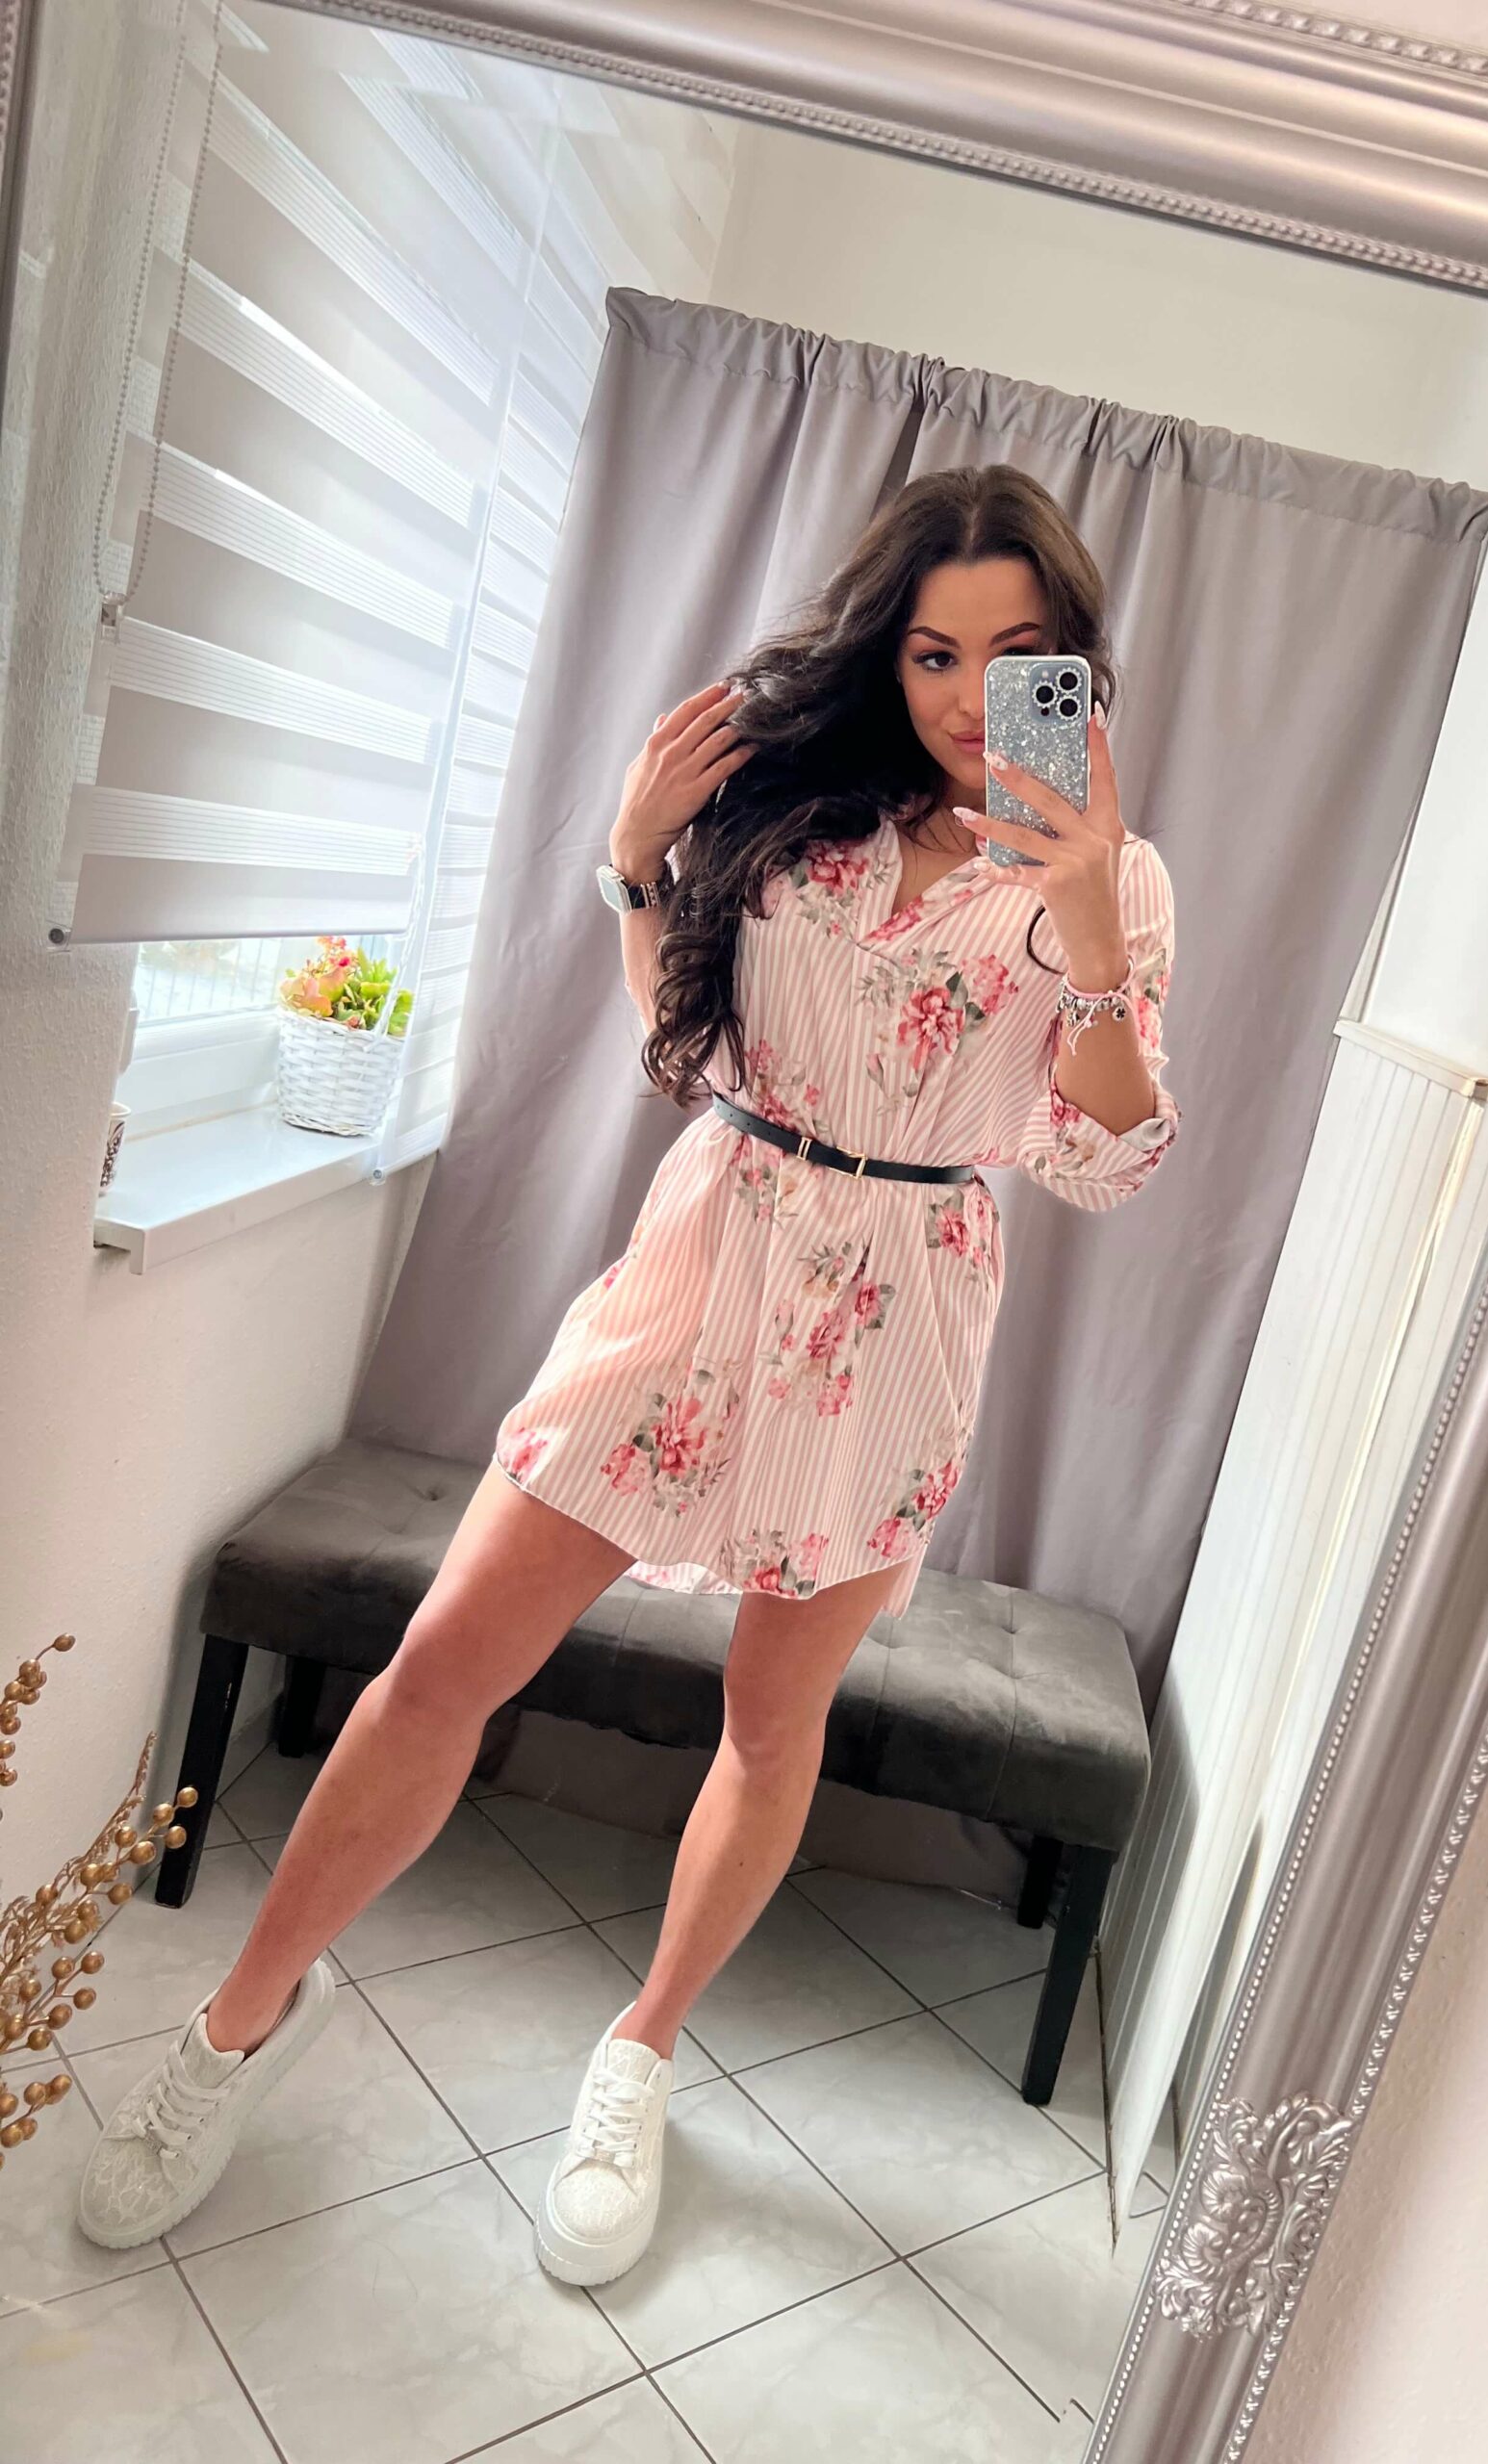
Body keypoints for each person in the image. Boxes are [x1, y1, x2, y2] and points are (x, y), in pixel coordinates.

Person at [76, 463, 1182, 2288]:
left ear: (1074, 658)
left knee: (771, 1722)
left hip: (898, 1319)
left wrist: (1088, 941)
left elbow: (1108, 1159)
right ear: (887, 655)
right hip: (703, 1257)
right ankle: (240, 2024)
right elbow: (686, 1044)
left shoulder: (1115, 880)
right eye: (932, 652)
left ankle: (642, 2051)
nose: (972, 698)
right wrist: (631, 859)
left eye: (1017, 656)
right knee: (444, 1659)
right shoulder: (805, 809)